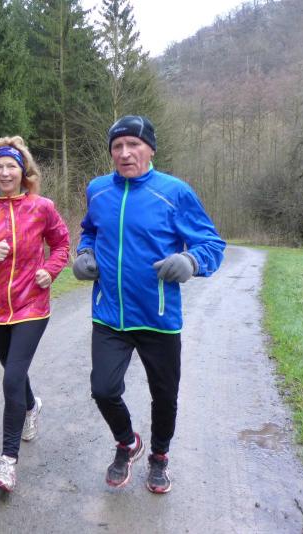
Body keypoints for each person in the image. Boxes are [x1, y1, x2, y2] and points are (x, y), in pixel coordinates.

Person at [74, 115, 225, 494]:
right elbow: (89, 230)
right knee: (103, 390)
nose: (125, 153)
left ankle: (159, 456)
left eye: (133, 145)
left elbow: (211, 244)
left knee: (164, 396)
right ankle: (127, 443)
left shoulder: (175, 192)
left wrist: (191, 261)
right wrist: (85, 253)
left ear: (150, 149)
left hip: (158, 318)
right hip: (109, 314)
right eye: (117, 147)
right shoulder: (98, 190)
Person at [0, 136, 70, 492]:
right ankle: (32, 406)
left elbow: (62, 244)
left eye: (12, 166)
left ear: (24, 171)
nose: (5, 172)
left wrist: (50, 270)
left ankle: (8, 463)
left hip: (32, 305)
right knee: (14, 372)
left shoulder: (42, 207)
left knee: (10, 380)